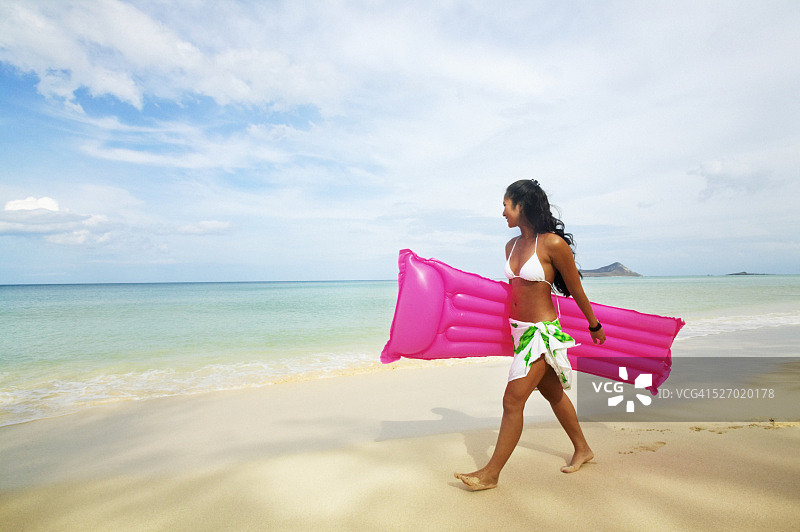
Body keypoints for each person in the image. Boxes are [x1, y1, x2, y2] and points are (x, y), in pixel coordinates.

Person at [455, 179, 606, 491]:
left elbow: (576, 289)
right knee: (552, 393)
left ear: (520, 206)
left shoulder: (552, 244)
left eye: (506, 205)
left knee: (512, 400)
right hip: (517, 331)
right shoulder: (510, 246)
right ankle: (583, 448)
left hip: (541, 334)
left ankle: (491, 474)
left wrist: (594, 324)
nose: (503, 213)